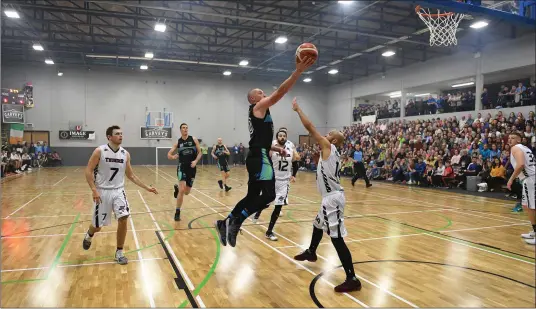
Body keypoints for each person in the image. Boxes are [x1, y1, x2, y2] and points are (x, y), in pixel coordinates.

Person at [214, 55, 315, 247]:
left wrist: (277, 148)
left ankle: (224, 222)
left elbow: (262, 140)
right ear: (253, 98)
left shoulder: (262, 113)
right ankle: (237, 221)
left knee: (252, 196)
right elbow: (279, 93)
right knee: (269, 195)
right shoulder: (257, 107)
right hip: (259, 157)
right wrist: (298, 72)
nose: (264, 93)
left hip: (257, 154)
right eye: (260, 92)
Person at [291, 98, 361, 293]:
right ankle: (312, 252)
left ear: (335, 140)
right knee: (317, 224)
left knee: (337, 239)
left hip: (334, 199)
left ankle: (352, 278)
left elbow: (310, 127)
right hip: (328, 198)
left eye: (330, 134)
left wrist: (298, 110)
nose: (326, 134)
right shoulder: (329, 151)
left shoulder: (328, 146)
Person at [82, 125, 158, 264]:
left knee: (123, 218)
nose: (120, 136)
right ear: (109, 137)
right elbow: (88, 171)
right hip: (102, 191)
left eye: (121, 133)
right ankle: (89, 234)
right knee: (97, 226)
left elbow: (131, 175)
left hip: (118, 191)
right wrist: (94, 190)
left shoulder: (125, 154)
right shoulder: (100, 151)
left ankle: (119, 251)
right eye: (117, 134)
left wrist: (147, 187)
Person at [252, 128, 300, 240]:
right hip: (272, 179)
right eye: (280, 135)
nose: (282, 137)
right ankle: (258, 212)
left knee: (278, 207)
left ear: (286, 137)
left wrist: (294, 174)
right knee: (267, 202)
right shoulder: (272, 145)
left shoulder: (290, 145)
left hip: (284, 181)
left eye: (284, 135)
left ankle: (269, 231)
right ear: (277, 137)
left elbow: (296, 160)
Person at [168, 123, 202, 221]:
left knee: (186, 192)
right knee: (182, 190)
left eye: (187, 128)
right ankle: (177, 212)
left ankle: (177, 190)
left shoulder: (193, 140)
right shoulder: (178, 142)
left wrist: (195, 161)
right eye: (183, 128)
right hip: (181, 167)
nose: (185, 129)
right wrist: (173, 156)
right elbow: (169, 154)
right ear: (180, 130)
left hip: (192, 168)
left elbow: (200, 152)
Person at [507, 133, 535, 245]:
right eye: (509, 138)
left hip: (531, 179)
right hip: (529, 178)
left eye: (513, 138)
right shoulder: (524, 147)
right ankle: (534, 231)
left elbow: (521, 164)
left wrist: (511, 179)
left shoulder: (515, 148)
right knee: (526, 205)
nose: (510, 140)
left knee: (531, 207)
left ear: (519, 140)